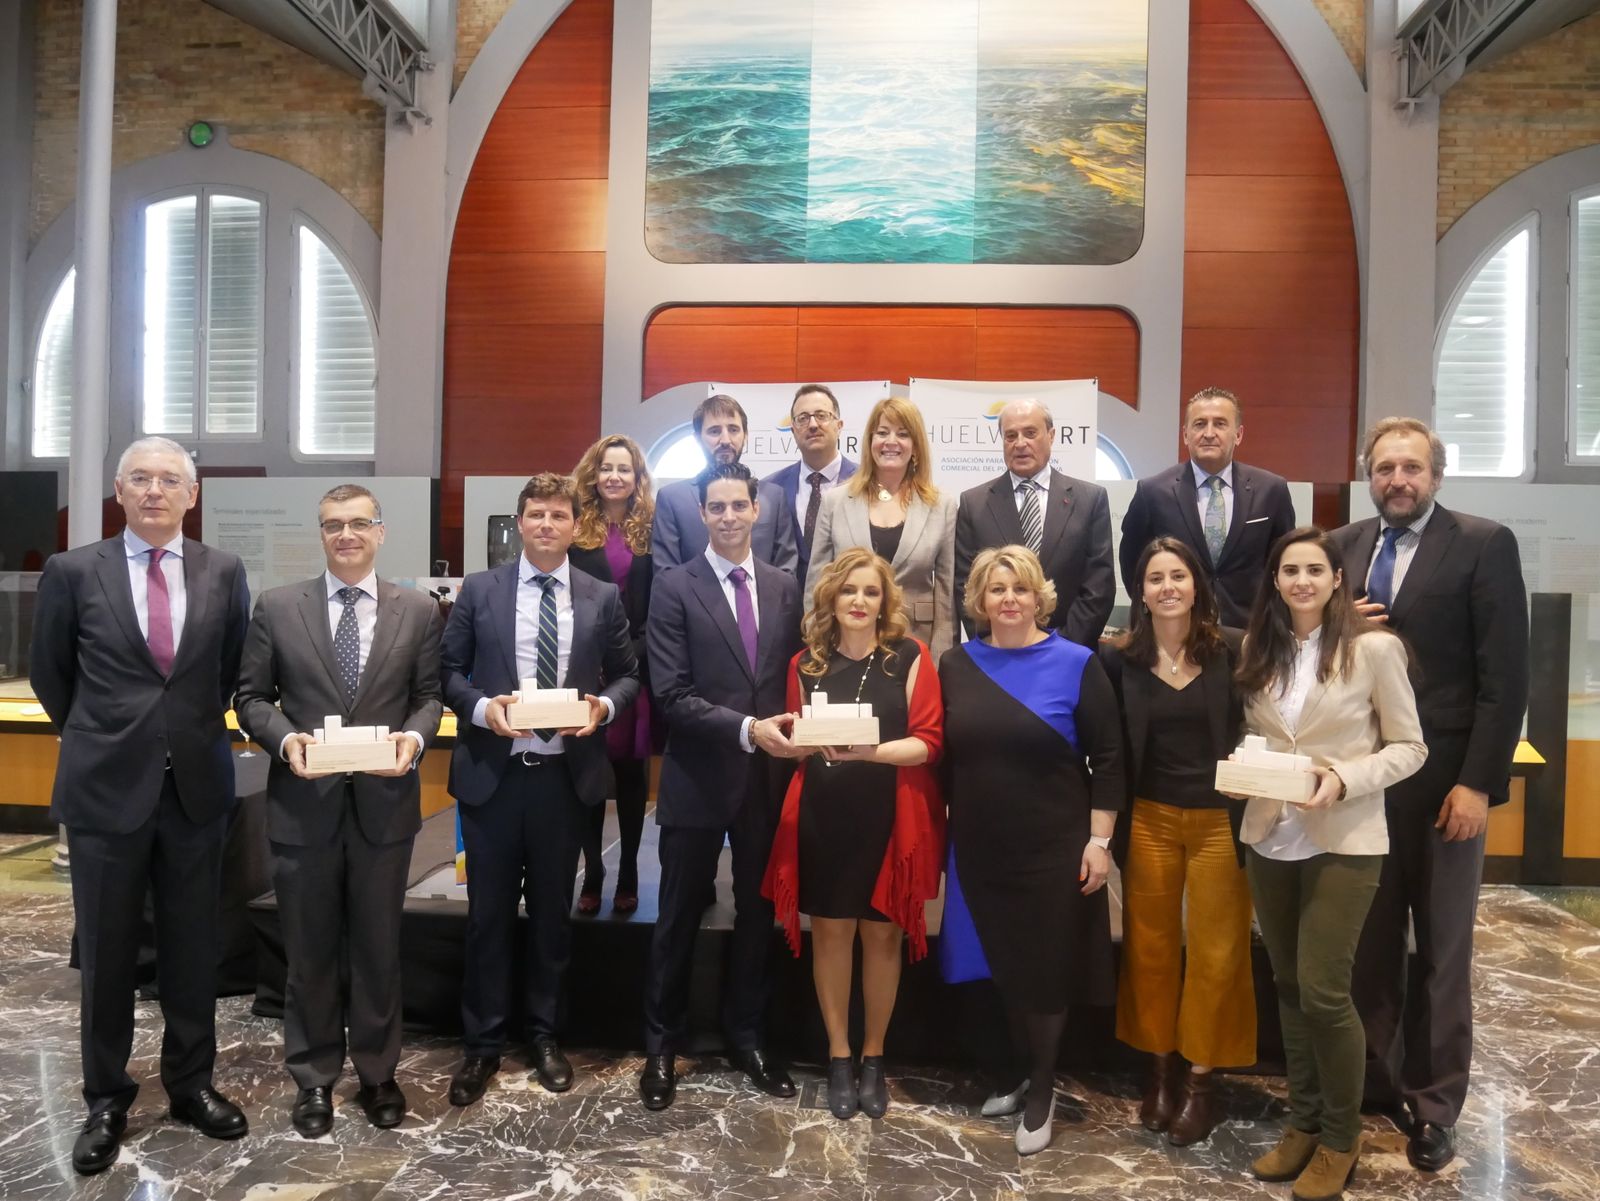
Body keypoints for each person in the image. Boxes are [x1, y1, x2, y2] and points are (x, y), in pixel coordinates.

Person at [29, 437, 252, 1175]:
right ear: (119, 492)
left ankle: (192, 1083)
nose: (155, 491)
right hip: (103, 790)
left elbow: (223, 675)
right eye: (141, 480)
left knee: (193, 947)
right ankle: (105, 1097)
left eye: (170, 480)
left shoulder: (223, 570)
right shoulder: (71, 571)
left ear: (192, 495)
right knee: (108, 951)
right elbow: (51, 674)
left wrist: (174, 734)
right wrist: (107, 737)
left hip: (193, 788)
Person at [1333, 417, 1528, 1173]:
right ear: (1368, 476)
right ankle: (1382, 1081)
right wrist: (1339, 624)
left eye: (1411, 467)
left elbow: (1505, 679)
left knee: (1443, 949)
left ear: (1436, 475)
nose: (1398, 481)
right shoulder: (1346, 547)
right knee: (1370, 943)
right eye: (1384, 468)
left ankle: (1437, 1103)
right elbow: (1314, 650)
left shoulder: (1483, 543)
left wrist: (1478, 781)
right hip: (1365, 784)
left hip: (1449, 784)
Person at [235, 484, 444, 1136]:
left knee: (379, 949)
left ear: (380, 532)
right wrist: (282, 737)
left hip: (384, 808)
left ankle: (379, 1073)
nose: (346, 534)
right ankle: (314, 1078)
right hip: (304, 809)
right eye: (333, 525)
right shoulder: (276, 607)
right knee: (310, 951)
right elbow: (251, 697)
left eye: (358, 523)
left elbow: (429, 696)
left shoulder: (419, 611)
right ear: (321, 534)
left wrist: (412, 740)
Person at [1232, 527, 1427, 1201]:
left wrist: (1342, 777)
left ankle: (1342, 1138)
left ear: (1337, 578)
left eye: (1315, 568)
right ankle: (1303, 1121)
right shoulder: (1263, 648)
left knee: (1322, 988)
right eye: (1290, 569)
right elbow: (1260, 735)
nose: (1302, 579)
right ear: (1276, 581)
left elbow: (1409, 747)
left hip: (1342, 838)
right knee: (1287, 985)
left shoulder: (1373, 649)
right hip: (1270, 834)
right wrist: (1242, 768)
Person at [440, 473, 639, 1107]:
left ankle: (545, 1035)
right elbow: (447, 672)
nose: (547, 524)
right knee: (487, 919)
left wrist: (602, 711)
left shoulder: (602, 596)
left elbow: (629, 677)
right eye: (536, 515)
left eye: (559, 514)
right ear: (520, 524)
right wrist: (480, 709)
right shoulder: (480, 589)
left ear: (576, 524)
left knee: (553, 918)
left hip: (563, 779)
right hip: (493, 782)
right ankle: (482, 1046)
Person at [939, 546, 1123, 1155]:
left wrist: (1099, 842)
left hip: (1053, 846)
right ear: (980, 600)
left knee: (1044, 968)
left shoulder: (1075, 662)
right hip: (978, 844)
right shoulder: (955, 664)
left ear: (1039, 595)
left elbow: (1110, 758)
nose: (1009, 599)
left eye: (1019, 588)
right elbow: (943, 754)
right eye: (996, 590)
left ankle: (1042, 1087)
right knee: (999, 961)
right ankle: (1017, 1073)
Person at [641, 463, 805, 1110]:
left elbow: (795, 676)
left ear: (758, 509)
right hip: (697, 774)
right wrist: (749, 730)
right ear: (702, 514)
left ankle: (748, 1036)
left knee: (758, 916)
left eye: (740, 504)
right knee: (677, 917)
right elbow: (671, 694)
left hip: (769, 780)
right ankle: (660, 1045)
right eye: (718, 506)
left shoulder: (785, 586)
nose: (731, 515)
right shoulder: (673, 586)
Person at [762, 549, 945, 1120]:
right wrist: (790, 742)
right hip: (823, 812)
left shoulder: (910, 657)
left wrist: (871, 753)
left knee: (884, 938)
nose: (859, 602)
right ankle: (839, 1055)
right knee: (833, 934)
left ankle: (873, 1056)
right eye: (848, 592)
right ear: (831, 601)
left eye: (870, 592)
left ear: (884, 601)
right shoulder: (804, 665)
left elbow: (929, 741)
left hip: (888, 814)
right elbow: (796, 746)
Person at [1099, 537, 1251, 1148]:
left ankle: (1202, 1082)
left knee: (1217, 954)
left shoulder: (1234, 651)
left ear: (1197, 587)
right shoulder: (1119, 659)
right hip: (1151, 821)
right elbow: (1109, 754)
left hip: (1220, 822)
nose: (1167, 587)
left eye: (1178, 576)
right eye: (1156, 577)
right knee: (1150, 950)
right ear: (1140, 590)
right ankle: (1158, 1070)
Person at [568, 434, 659, 916]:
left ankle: (626, 872)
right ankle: (593, 872)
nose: (614, 477)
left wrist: (632, 656)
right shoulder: (577, 530)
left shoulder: (652, 529)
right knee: (588, 774)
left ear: (637, 478)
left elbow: (657, 603)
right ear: (593, 473)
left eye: (624, 469)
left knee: (630, 775)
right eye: (606, 467)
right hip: (585, 668)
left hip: (635, 668)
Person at [1118, 387, 1296, 627]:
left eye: (1220, 424)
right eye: (1200, 424)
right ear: (1185, 434)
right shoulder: (1152, 492)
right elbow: (1133, 564)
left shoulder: (1272, 490)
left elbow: (1284, 563)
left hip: (1252, 634)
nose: (1209, 433)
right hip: (1178, 632)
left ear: (1239, 434)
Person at [953, 399, 1114, 648]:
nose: (1020, 444)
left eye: (1030, 433)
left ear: (1051, 436)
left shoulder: (1089, 499)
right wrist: (994, 643)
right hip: (998, 655)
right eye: (1010, 436)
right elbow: (965, 587)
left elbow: (1098, 587)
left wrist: (1061, 647)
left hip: (1068, 653)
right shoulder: (974, 504)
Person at [807, 396, 958, 661]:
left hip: (916, 646)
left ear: (916, 446)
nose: (891, 442)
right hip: (846, 647)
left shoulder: (942, 505)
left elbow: (946, 594)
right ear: (869, 442)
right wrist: (816, 646)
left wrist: (939, 660)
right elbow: (817, 585)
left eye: (903, 434)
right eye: (882, 432)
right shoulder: (835, 502)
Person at [653, 393, 799, 577]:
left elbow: (786, 571)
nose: (725, 440)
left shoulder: (774, 497)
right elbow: (666, 576)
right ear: (697, 438)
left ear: (746, 436)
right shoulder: (672, 499)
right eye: (714, 431)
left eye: (733, 429)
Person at [763, 383, 858, 581]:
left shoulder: (866, 482)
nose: (813, 425)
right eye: (803, 418)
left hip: (849, 604)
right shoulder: (770, 489)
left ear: (839, 426)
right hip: (787, 607)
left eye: (822, 415)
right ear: (793, 431)